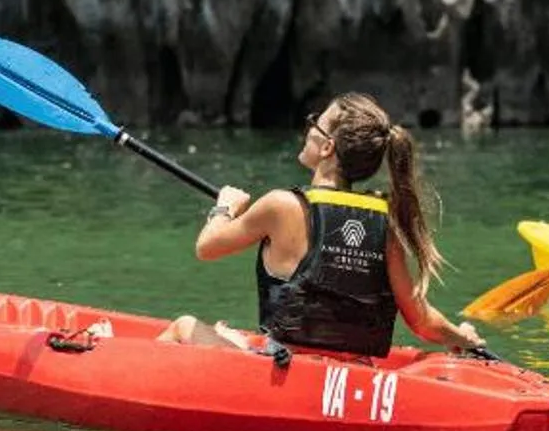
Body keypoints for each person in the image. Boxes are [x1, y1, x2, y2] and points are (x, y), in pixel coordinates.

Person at [156, 93, 485, 357]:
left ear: (327, 147)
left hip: (292, 373)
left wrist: (224, 208)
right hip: (355, 371)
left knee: (185, 327)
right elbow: (421, 321)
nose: (308, 128)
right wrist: (463, 337)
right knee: (228, 334)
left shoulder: (281, 205)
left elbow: (207, 248)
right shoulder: (383, 220)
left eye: (316, 122)